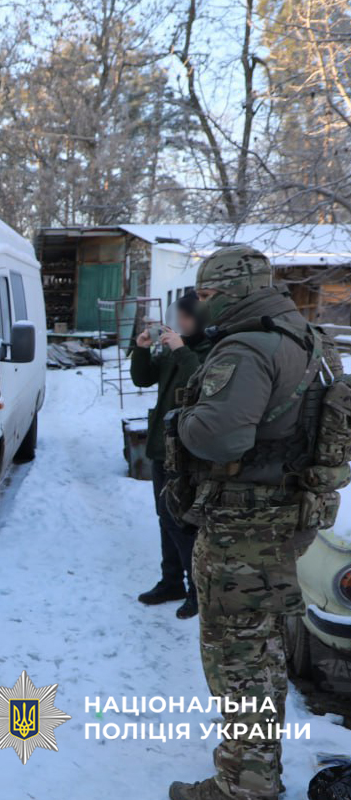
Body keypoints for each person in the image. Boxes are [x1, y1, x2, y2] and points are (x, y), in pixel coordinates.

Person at [166, 246, 322, 800]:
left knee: (239, 664)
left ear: (233, 289)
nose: (201, 305)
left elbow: (219, 435)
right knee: (260, 653)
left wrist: (181, 419)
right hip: (282, 519)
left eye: (206, 295)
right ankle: (256, 773)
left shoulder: (249, 347)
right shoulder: (306, 339)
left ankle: (243, 786)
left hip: (244, 531)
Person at [130, 290, 210, 620]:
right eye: (179, 317)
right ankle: (171, 581)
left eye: (187, 317)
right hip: (163, 448)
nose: (181, 323)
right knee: (165, 517)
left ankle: (196, 589)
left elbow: (201, 382)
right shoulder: (179, 350)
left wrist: (178, 350)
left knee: (182, 522)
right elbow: (142, 378)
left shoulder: (210, 351)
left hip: (187, 453)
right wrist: (142, 349)